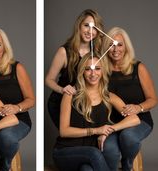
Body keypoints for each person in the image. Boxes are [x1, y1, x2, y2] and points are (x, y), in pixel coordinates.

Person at [53, 53, 141, 171]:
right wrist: (96, 131)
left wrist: (109, 129)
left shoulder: (109, 97)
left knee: (87, 170)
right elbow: (64, 131)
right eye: (88, 69)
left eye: (97, 68)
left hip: (90, 156)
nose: (93, 74)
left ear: (103, 71)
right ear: (82, 72)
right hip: (65, 152)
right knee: (93, 153)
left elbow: (134, 119)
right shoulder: (70, 95)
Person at [101, 27, 158, 171]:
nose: (115, 49)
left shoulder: (138, 68)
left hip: (139, 121)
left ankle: (127, 165)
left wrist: (139, 107)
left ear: (126, 46)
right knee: (108, 150)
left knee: (128, 137)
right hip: (112, 123)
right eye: (111, 44)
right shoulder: (100, 70)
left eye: (119, 44)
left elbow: (153, 99)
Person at [0, 27, 35, 171]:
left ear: (5, 47)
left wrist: (17, 107)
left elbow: (31, 99)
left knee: (6, 137)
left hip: (17, 121)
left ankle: (6, 166)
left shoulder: (17, 68)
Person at [45, 9, 104, 128]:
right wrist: (62, 89)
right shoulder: (64, 52)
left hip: (81, 104)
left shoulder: (96, 53)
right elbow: (48, 80)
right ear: (79, 26)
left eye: (94, 28)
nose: (90, 31)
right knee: (72, 138)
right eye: (86, 25)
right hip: (61, 102)